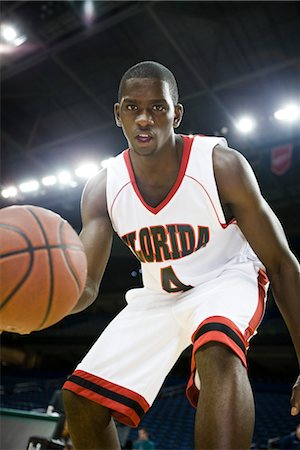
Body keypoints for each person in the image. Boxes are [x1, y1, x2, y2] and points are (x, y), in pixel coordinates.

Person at [62, 61, 300, 450]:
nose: (144, 119)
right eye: (132, 107)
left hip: (226, 278)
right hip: (158, 297)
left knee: (218, 347)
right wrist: (37, 309)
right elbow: (85, 286)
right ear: (117, 113)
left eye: (158, 107)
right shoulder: (102, 188)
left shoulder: (220, 166)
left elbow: (282, 263)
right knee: (81, 400)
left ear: (177, 113)